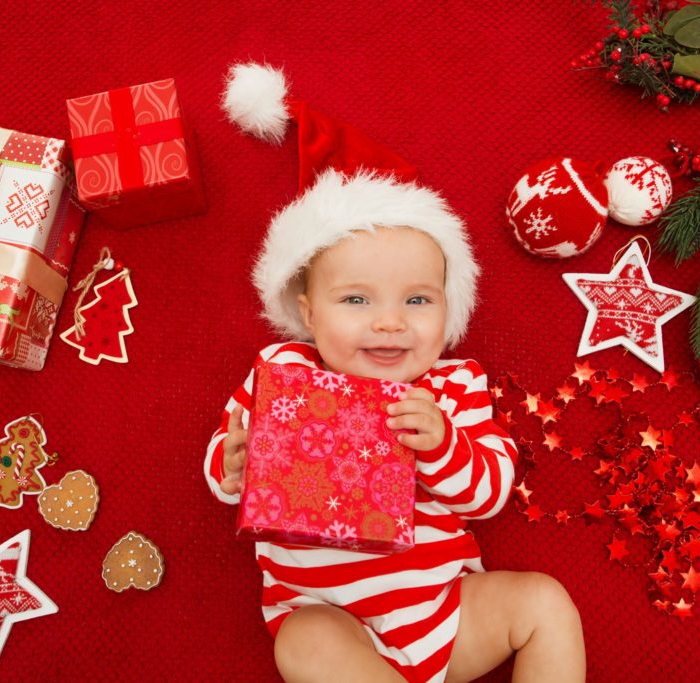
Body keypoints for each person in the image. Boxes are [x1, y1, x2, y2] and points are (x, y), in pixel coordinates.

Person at [205, 63, 584, 683]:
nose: (389, 323)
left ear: (448, 307)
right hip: (331, 618)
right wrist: (233, 464)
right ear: (308, 313)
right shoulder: (283, 370)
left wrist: (441, 443)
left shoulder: (453, 387)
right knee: (301, 644)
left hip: (444, 610)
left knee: (544, 602)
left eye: (416, 300)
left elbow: (490, 494)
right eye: (356, 300)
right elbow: (224, 455)